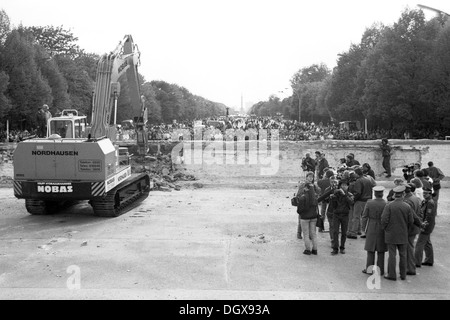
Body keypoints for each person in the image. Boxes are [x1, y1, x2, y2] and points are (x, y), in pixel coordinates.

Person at [381, 185, 414, 281]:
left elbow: (384, 220)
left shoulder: (389, 205)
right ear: (403, 194)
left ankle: (392, 274)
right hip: (403, 233)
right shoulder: (407, 206)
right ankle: (403, 275)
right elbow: (411, 221)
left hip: (391, 233)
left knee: (392, 254)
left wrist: (385, 229)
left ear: (394, 195)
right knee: (403, 255)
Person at [362, 186, 388, 275]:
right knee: (381, 250)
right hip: (382, 227)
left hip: (372, 226)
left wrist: (363, 228)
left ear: (374, 194)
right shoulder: (386, 203)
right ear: (382, 194)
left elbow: (364, 216)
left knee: (370, 250)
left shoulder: (369, 203)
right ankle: (380, 270)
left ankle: (369, 269)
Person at [296, 171, 320, 255]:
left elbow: (298, 197)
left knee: (306, 233)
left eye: (312, 177)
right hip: (313, 214)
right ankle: (315, 249)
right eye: (309, 177)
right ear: (306, 177)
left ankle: (308, 250)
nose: (310, 178)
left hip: (305, 214)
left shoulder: (312, 188)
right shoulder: (305, 186)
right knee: (313, 233)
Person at [328, 179, 354, 255]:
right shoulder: (336, 194)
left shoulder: (349, 194)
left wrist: (344, 194)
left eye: (345, 185)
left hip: (345, 215)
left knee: (344, 232)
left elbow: (351, 202)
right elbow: (333, 206)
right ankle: (335, 248)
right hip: (336, 215)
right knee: (335, 232)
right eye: (342, 185)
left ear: (348, 186)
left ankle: (342, 247)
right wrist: (332, 198)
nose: (343, 187)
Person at [403, 183, 423, 276]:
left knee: (408, 248)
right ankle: (410, 267)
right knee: (410, 247)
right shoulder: (415, 198)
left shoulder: (408, 200)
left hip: (410, 227)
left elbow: (409, 216)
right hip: (414, 227)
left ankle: (410, 268)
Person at [347, 168, 373, 239]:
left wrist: (354, 199)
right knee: (365, 217)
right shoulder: (368, 179)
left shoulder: (358, 181)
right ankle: (364, 231)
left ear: (357, 173)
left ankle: (353, 233)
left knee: (356, 217)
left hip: (360, 200)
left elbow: (358, 192)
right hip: (368, 200)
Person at [414, 188, 437, 268]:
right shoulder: (425, 201)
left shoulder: (430, 203)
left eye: (426, 193)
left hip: (426, 225)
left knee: (419, 244)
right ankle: (429, 260)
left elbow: (428, 216)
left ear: (430, 194)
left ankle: (417, 262)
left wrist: (424, 226)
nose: (424, 194)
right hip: (426, 224)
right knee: (427, 243)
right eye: (423, 193)